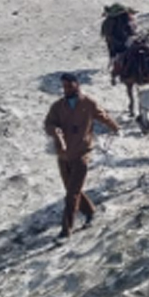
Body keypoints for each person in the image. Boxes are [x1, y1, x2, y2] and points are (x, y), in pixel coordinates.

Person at [43, 73, 120, 240]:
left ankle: (66, 231)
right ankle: (91, 211)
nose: (66, 89)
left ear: (77, 85)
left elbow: (103, 116)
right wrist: (54, 131)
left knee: (71, 195)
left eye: (69, 86)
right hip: (63, 156)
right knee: (73, 189)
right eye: (64, 87)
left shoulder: (88, 103)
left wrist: (115, 127)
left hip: (82, 154)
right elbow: (48, 123)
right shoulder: (57, 106)